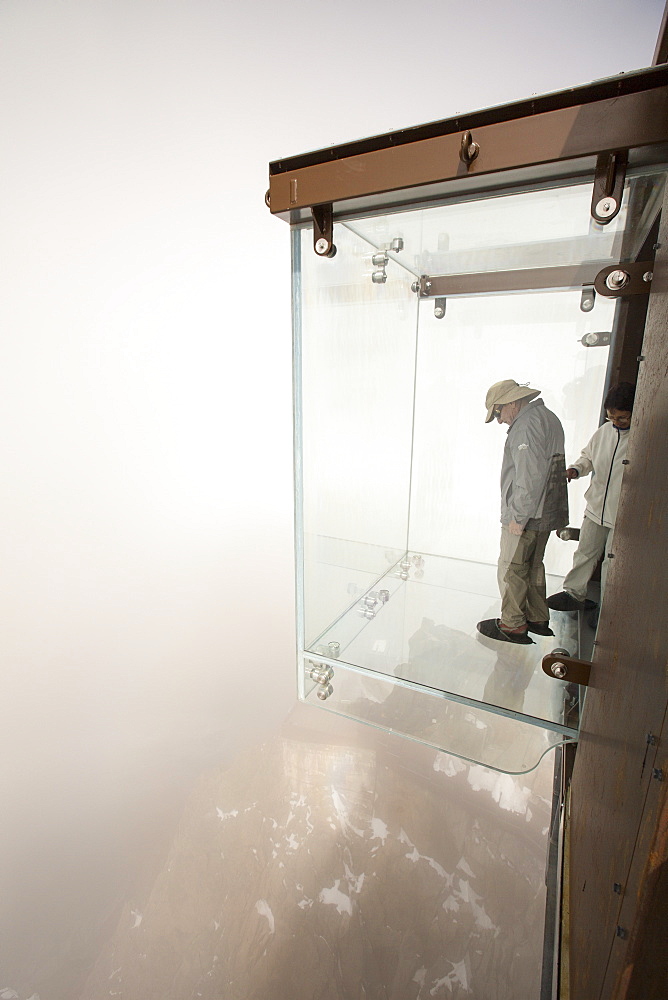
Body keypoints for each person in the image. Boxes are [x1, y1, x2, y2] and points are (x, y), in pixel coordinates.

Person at [477, 380, 568, 645]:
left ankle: (513, 624)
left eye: (498, 413)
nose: (499, 421)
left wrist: (517, 516)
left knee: (512, 568)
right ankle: (537, 617)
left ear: (512, 403)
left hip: (528, 514)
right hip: (547, 512)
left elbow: (529, 476)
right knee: (533, 565)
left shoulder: (525, 426)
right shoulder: (547, 417)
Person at [547, 381, 635, 612]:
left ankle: (608, 610)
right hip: (596, 508)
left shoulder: (640, 439)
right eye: (611, 417)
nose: (616, 422)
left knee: (612, 564)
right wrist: (576, 470)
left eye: (622, 418)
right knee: (585, 553)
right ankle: (574, 594)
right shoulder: (605, 432)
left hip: (622, 515)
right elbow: (588, 457)